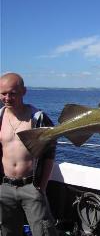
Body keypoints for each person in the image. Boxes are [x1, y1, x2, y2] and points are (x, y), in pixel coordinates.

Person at [0, 73, 57, 235]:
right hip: (4, 187)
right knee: (7, 231)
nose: (7, 98)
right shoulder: (0, 118)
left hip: (31, 186)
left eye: (12, 93)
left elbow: (49, 154)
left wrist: (42, 187)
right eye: (3, 93)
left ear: (24, 91)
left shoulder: (38, 118)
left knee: (43, 231)